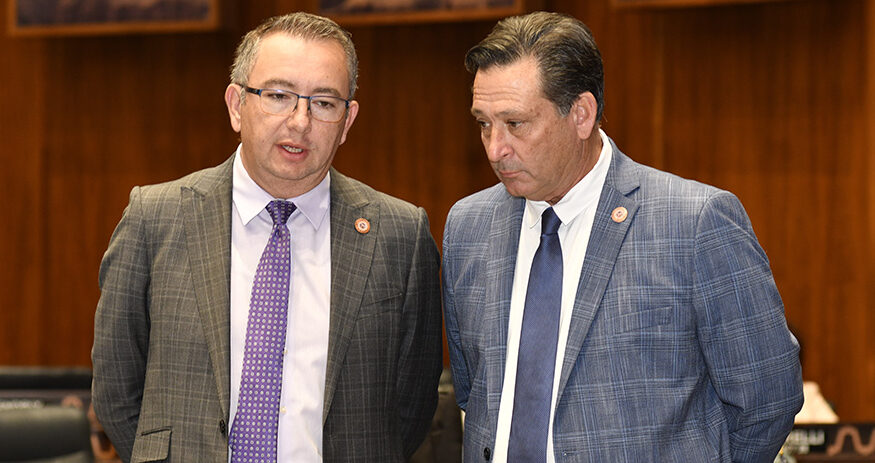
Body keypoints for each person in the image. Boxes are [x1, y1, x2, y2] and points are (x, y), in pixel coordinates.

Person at [442, 11, 803, 462]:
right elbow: (476, 393)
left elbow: (767, 399)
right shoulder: (468, 227)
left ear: (581, 114)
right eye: (483, 123)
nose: (495, 148)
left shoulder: (694, 223)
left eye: (515, 124)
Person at [92, 12, 443, 462]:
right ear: (237, 105)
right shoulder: (155, 218)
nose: (300, 122)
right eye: (278, 96)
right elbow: (117, 390)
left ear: (348, 120)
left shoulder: (401, 235)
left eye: (324, 102)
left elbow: (412, 406)